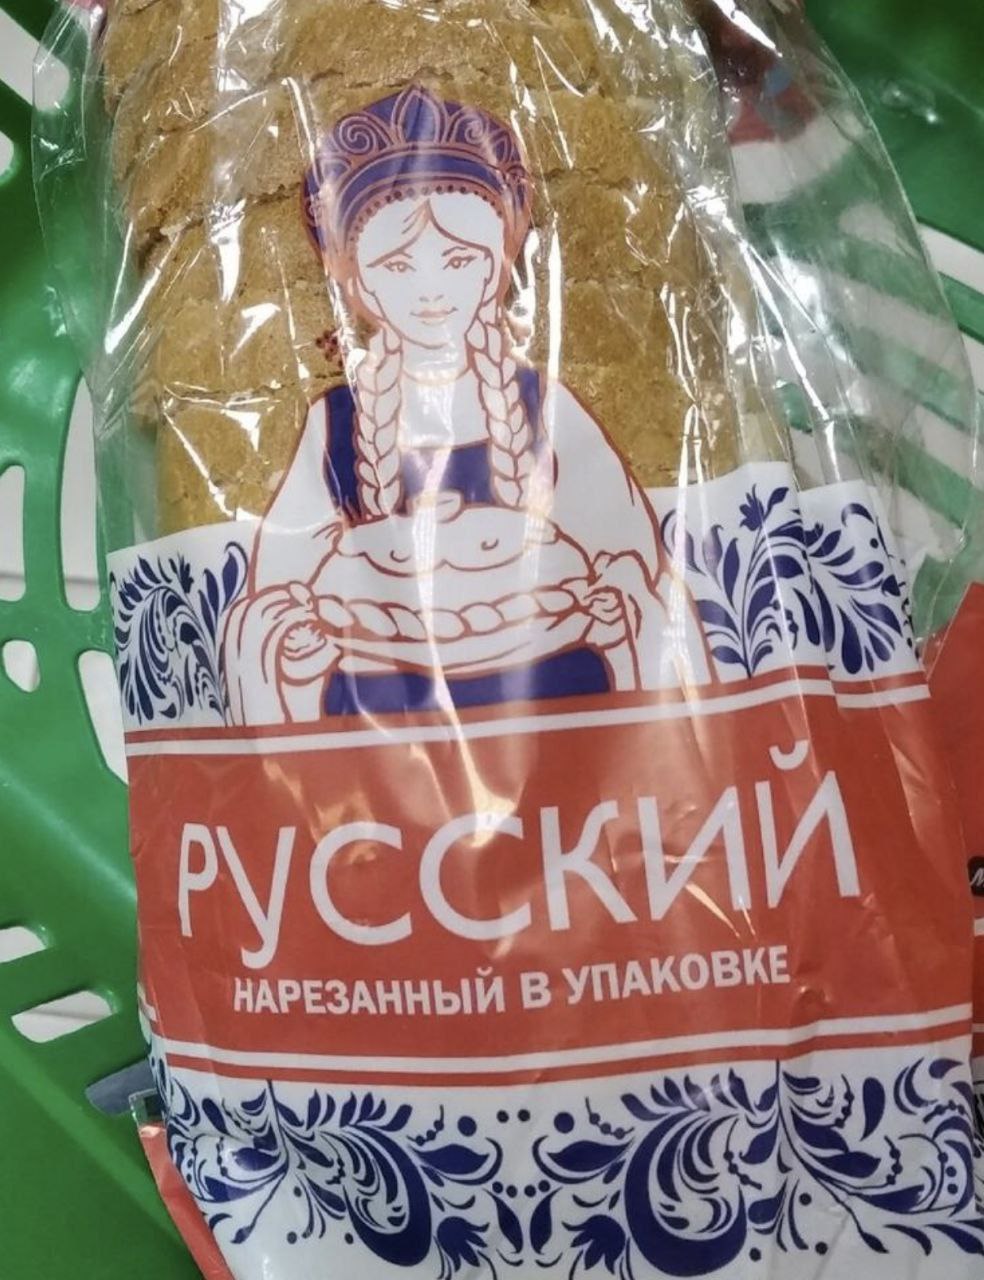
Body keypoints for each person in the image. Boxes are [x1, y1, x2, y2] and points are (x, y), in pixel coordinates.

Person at [223, 85, 709, 726]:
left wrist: (618, 603)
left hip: (566, 693)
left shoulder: (546, 404)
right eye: (397, 267)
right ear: (355, 276)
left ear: (496, 264)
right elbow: (275, 590)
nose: (431, 292)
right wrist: (291, 640)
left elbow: (637, 561)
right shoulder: (331, 422)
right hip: (372, 710)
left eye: (458, 260)